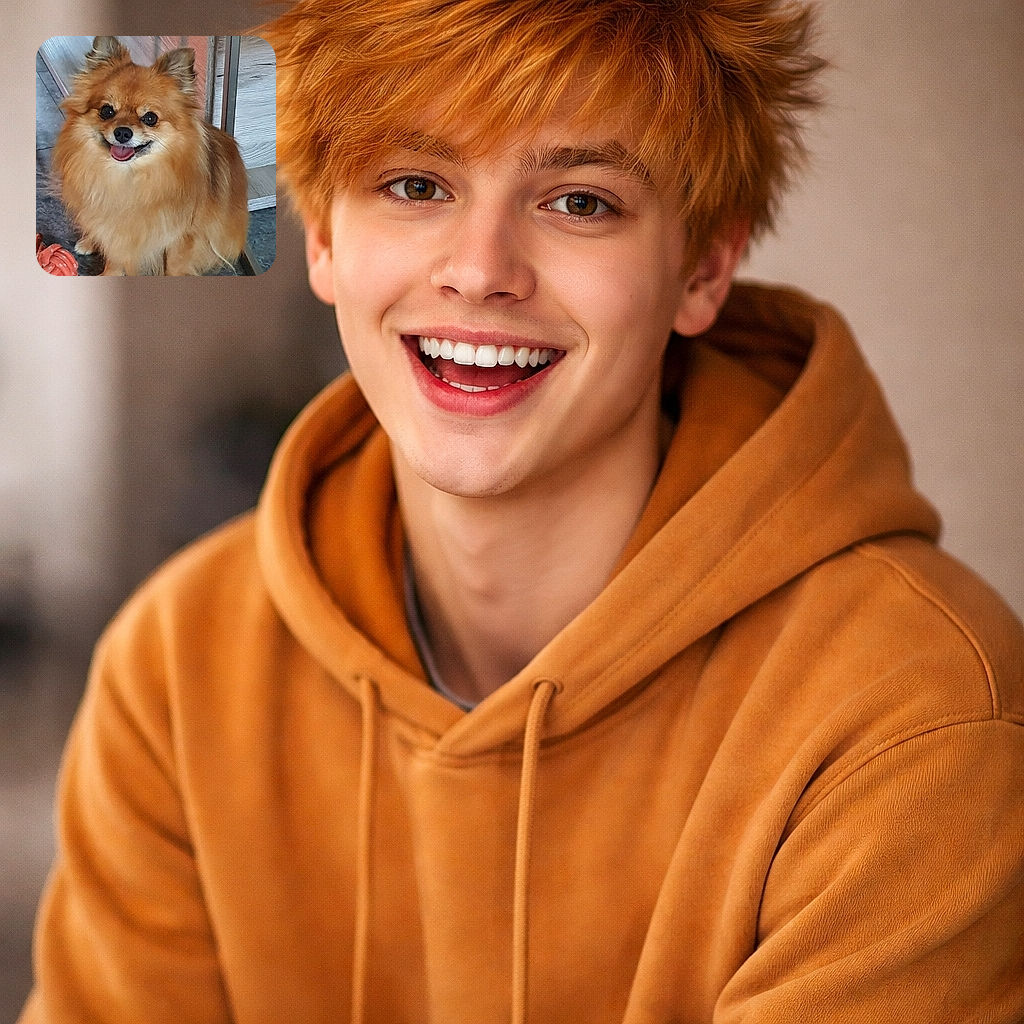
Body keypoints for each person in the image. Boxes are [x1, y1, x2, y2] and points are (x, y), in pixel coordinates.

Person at [20, 1, 1024, 1021]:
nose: (481, 270)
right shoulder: (177, 666)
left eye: (579, 201)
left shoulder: (916, 707)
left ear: (704, 268)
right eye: (416, 185)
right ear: (322, 236)